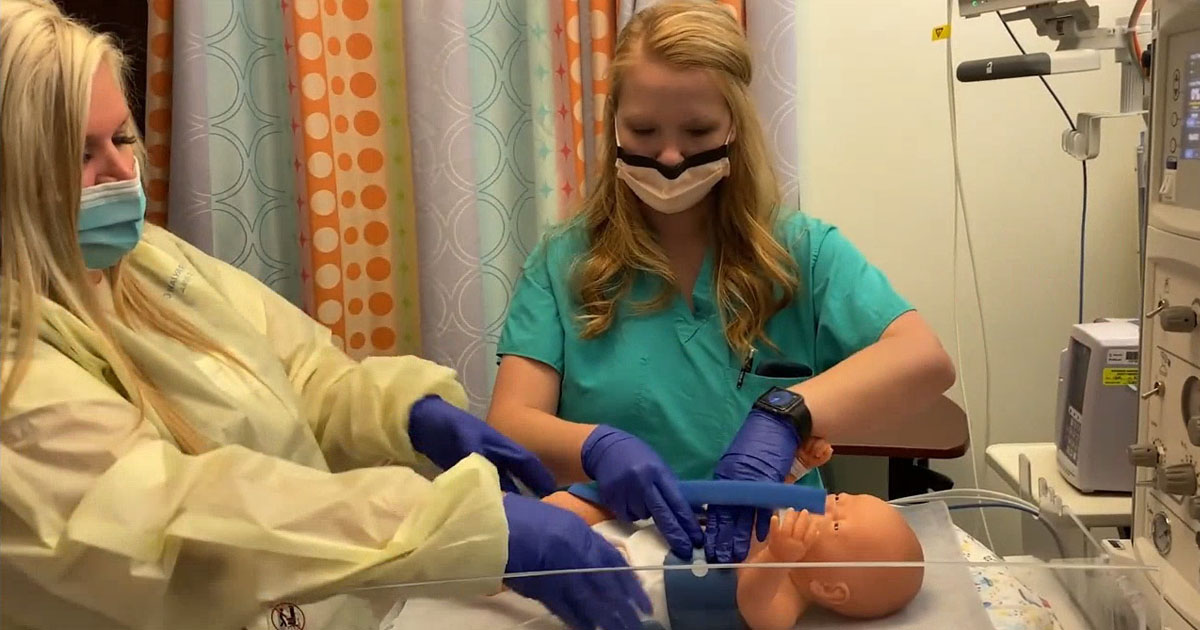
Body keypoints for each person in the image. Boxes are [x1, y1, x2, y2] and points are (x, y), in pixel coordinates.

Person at [0, 2, 648, 629]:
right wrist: (448, 525)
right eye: (81, 154)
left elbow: (300, 373)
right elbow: (160, 523)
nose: (123, 173)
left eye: (121, 138)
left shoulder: (144, 261)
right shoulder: (14, 370)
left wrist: (408, 415)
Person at [488, 0, 956, 566]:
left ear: (734, 123)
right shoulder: (565, 261)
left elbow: (924, 360)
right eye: (642, 129)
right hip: (608, 536)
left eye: (697, 129)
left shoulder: (800, 252)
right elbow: (511, 424)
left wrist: (784, 414)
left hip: (773, 538)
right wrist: (596, 448)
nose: (668, 155)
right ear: (613, 122)